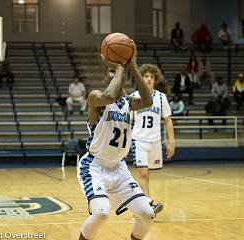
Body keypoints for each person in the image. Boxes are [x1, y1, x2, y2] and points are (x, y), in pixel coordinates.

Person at [77, 41, 155, 240]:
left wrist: (133, 66)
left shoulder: (128, 103)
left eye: (119, 75)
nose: (116, 77)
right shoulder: (96, 97)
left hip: (119, 170)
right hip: (94, 167)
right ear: (105, 80)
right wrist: (119, 67)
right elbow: (110, 95)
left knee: (147, 214)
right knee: (102, 214)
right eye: (111, 75)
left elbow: (148, 100)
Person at [130, 63, 175, 215]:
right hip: (139, 141)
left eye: (151, 77)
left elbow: (168, 120)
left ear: (155, 80)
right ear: (141, 79)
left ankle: (140, 205)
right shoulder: (135, 96)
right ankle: (148, 204)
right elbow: (126, 121)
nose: (148, 79)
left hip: (155, 142)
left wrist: (171, 141)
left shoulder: (161, 98)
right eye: (146, 76)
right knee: (142, 174)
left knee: (147, 175)